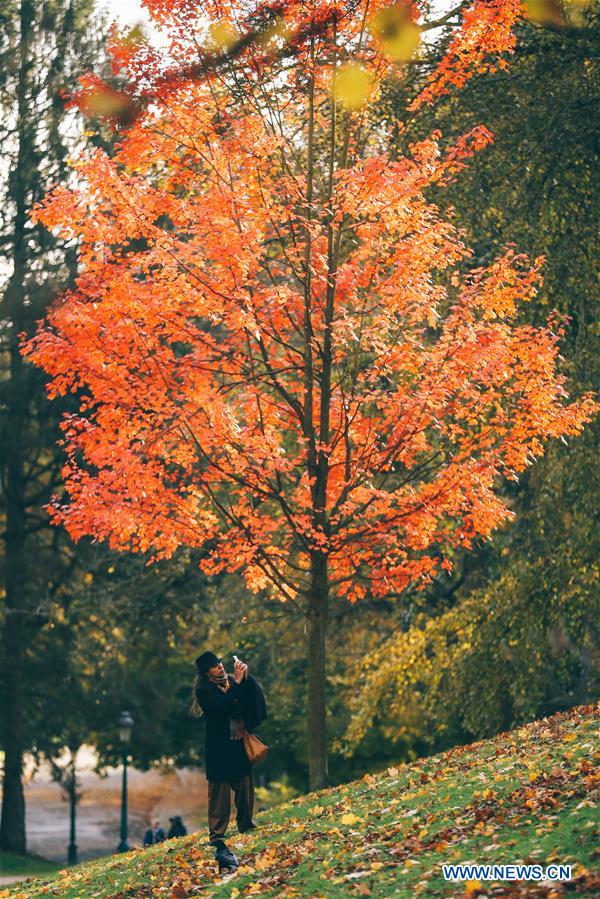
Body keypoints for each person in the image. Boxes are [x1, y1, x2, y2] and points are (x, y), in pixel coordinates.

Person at [191, 651, 267, 860]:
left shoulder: (233, 682)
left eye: (219, 663)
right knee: (219, 792)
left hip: (237, 743)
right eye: (214, 666)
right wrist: (239, 684)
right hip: (218, 746)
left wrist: (246, 679)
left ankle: (246, 823)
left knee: (244, 785)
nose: (220, 667)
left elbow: (245, 702)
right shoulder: (204, 690)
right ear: (207, 673)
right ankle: (217, 834)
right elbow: (224, 706)